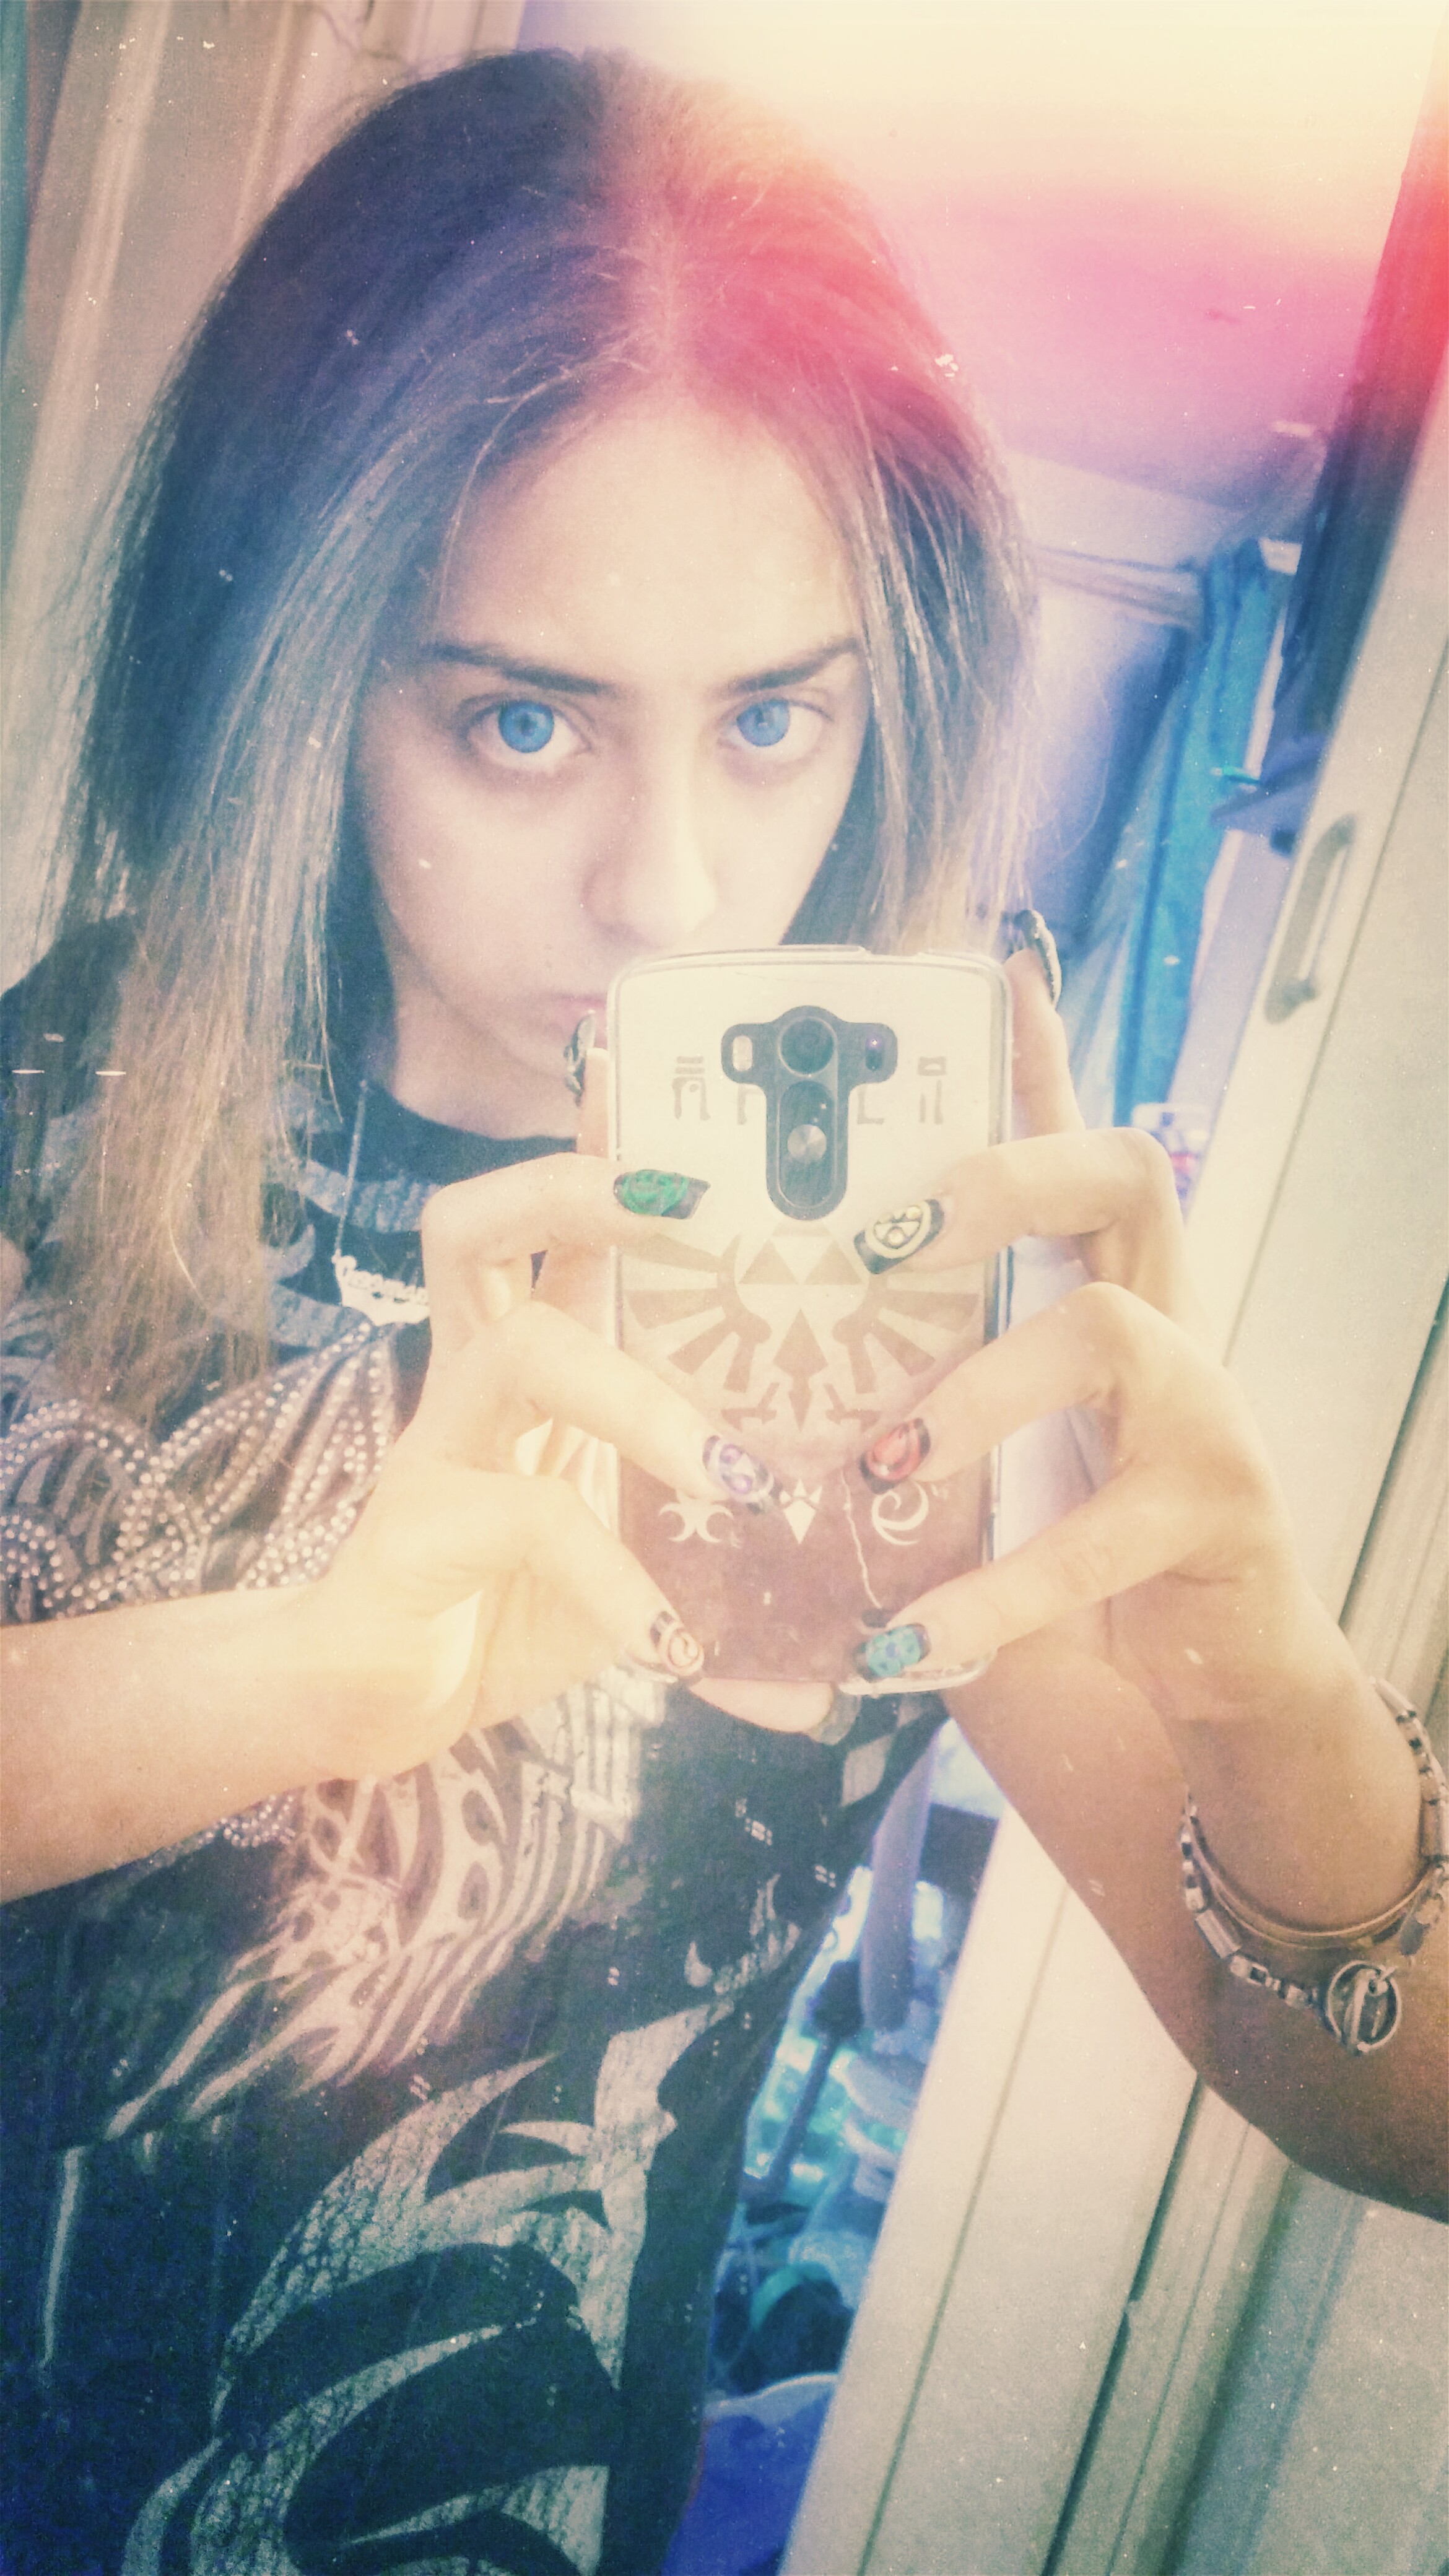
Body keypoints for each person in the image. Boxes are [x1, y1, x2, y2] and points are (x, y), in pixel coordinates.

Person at [1, 42, 1442, 2576]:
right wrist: (297, 1679)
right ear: (297, 674)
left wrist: (1278, 1709)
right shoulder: (51, 1109)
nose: (673, 887)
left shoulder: (907, 1252)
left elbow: (1380, 2103)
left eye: (774, 715)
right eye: (521, 719)